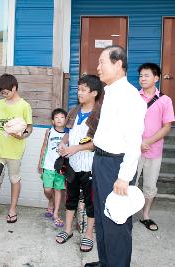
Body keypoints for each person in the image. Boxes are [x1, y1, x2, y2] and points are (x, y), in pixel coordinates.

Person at [84, 46, 146, 267]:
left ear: (118, 63)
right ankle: (106, 261)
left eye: (102, 62)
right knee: (102, 217)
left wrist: (124, 177)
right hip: (101, 161)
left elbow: (133, 142)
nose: (98, 67)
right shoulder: (110, 91)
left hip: (115, 165)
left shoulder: (130, 97)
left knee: (117, 220)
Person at [56, 75, 103, 253]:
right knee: (70, 198)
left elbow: (99, 142)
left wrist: (76, 148)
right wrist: (63, 144)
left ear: (94, 93)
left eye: (84, 90)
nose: (79, 93)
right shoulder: (74, 110)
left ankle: (89, 235)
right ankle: (67, 230)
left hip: (90, 165)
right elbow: (68, 133)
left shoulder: (100, 114)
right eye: (79, 89)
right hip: (72, 164)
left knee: (91, 202)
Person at [0, 74, 33, 223]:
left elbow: (29, 128)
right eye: (1, 93)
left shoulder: (24, 105)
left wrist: (22, 135)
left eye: (6, 92)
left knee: (14, 179)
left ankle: (12, 209)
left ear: (14, 88)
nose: (4, 95)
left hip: (14, 151)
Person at [136, 63, 175, 231]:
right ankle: (125, 215)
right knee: (131, 182)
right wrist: (138, 142)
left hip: (154, 150)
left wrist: (148, 142)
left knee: (150, 185)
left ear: (156, 78)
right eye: (140, 76)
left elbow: (167, 126)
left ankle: (145, 216)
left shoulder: (165, 100)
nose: (142, 79)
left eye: (146, 75)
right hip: (134, 149)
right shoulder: (134, 98)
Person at [37, 108, 67, 227]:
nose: (59, 119)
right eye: (56, 117)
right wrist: (40, 162)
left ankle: (56, 213)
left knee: (58, 189)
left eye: (62, 117)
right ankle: (51, 200)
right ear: (53, 121)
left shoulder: (68, 134)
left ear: (66, 120)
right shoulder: (49, 131)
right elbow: (44, 147)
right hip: (48, 166)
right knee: (48, 189)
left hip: (60, 168)